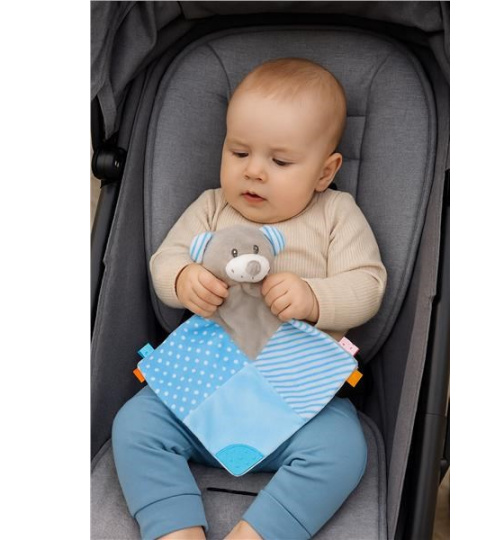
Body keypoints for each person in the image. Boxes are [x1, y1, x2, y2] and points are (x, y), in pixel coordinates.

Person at [112, 58, 387, 540]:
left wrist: (314, 297)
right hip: (203, 387)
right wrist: (184, 278)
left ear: (325, 172)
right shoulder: (211, 206)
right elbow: (165, 259)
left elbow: (368, 285)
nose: (254, 172)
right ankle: (176, 528)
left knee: (345, 448)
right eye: (239, 152)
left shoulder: (336, 215)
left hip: (298, 396)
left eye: (280, 162)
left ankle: (259, 532)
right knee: (135, 424)